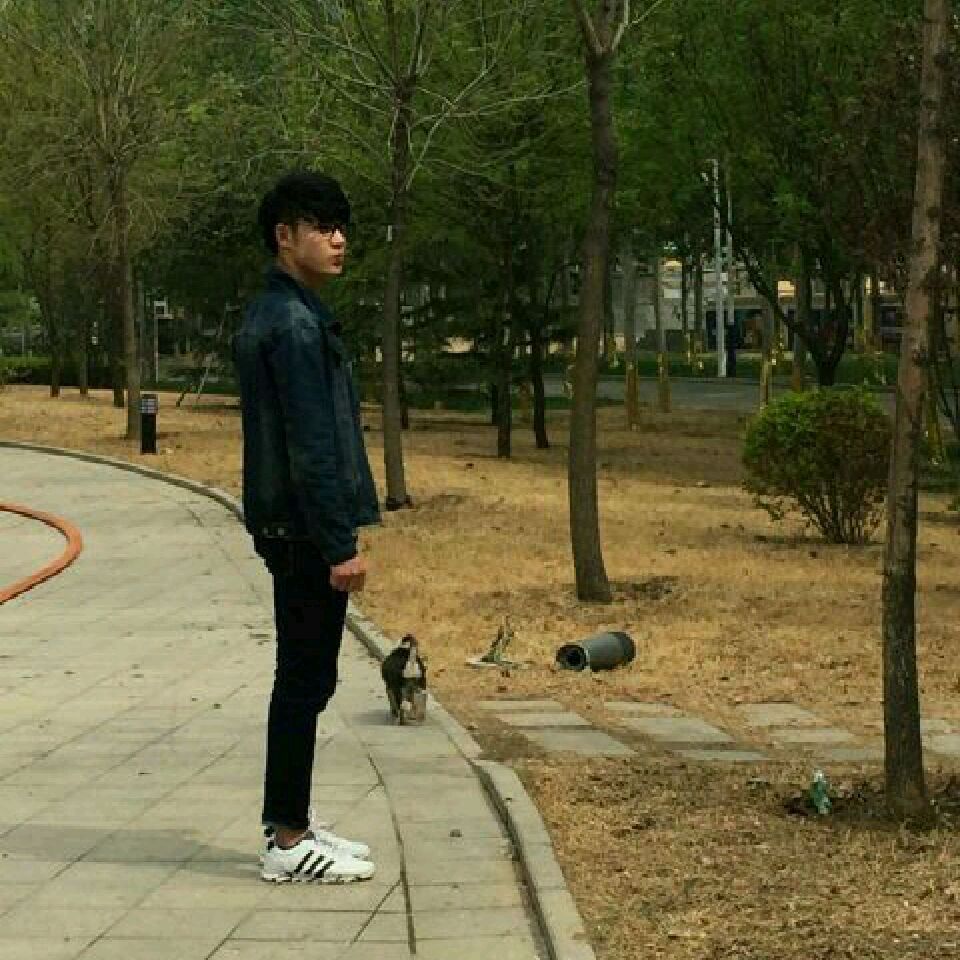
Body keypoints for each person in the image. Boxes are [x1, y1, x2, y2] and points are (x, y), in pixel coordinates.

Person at [233, 170, 381, 884]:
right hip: (302, 530)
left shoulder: (287, 313)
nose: (339, 239)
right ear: (284, 236)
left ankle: (293, 820)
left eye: (341, 225)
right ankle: (287, 840)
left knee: (306, 676)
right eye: (322, 227)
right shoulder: (292, 325)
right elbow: (311, 446)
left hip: (290, 525)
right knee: (303, 679)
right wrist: (339, 544)